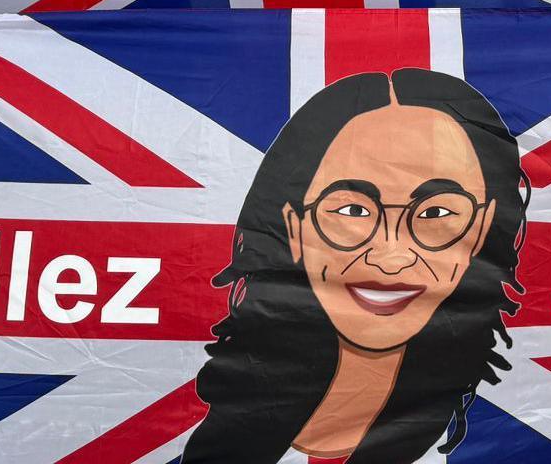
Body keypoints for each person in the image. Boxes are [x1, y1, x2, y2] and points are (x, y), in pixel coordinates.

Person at [185, 69, 524, 463]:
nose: (391, 255)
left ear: (482, 229)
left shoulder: (506, 424)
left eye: (435, 213)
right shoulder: (223, 438)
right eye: (352, 210)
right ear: (292, 226)